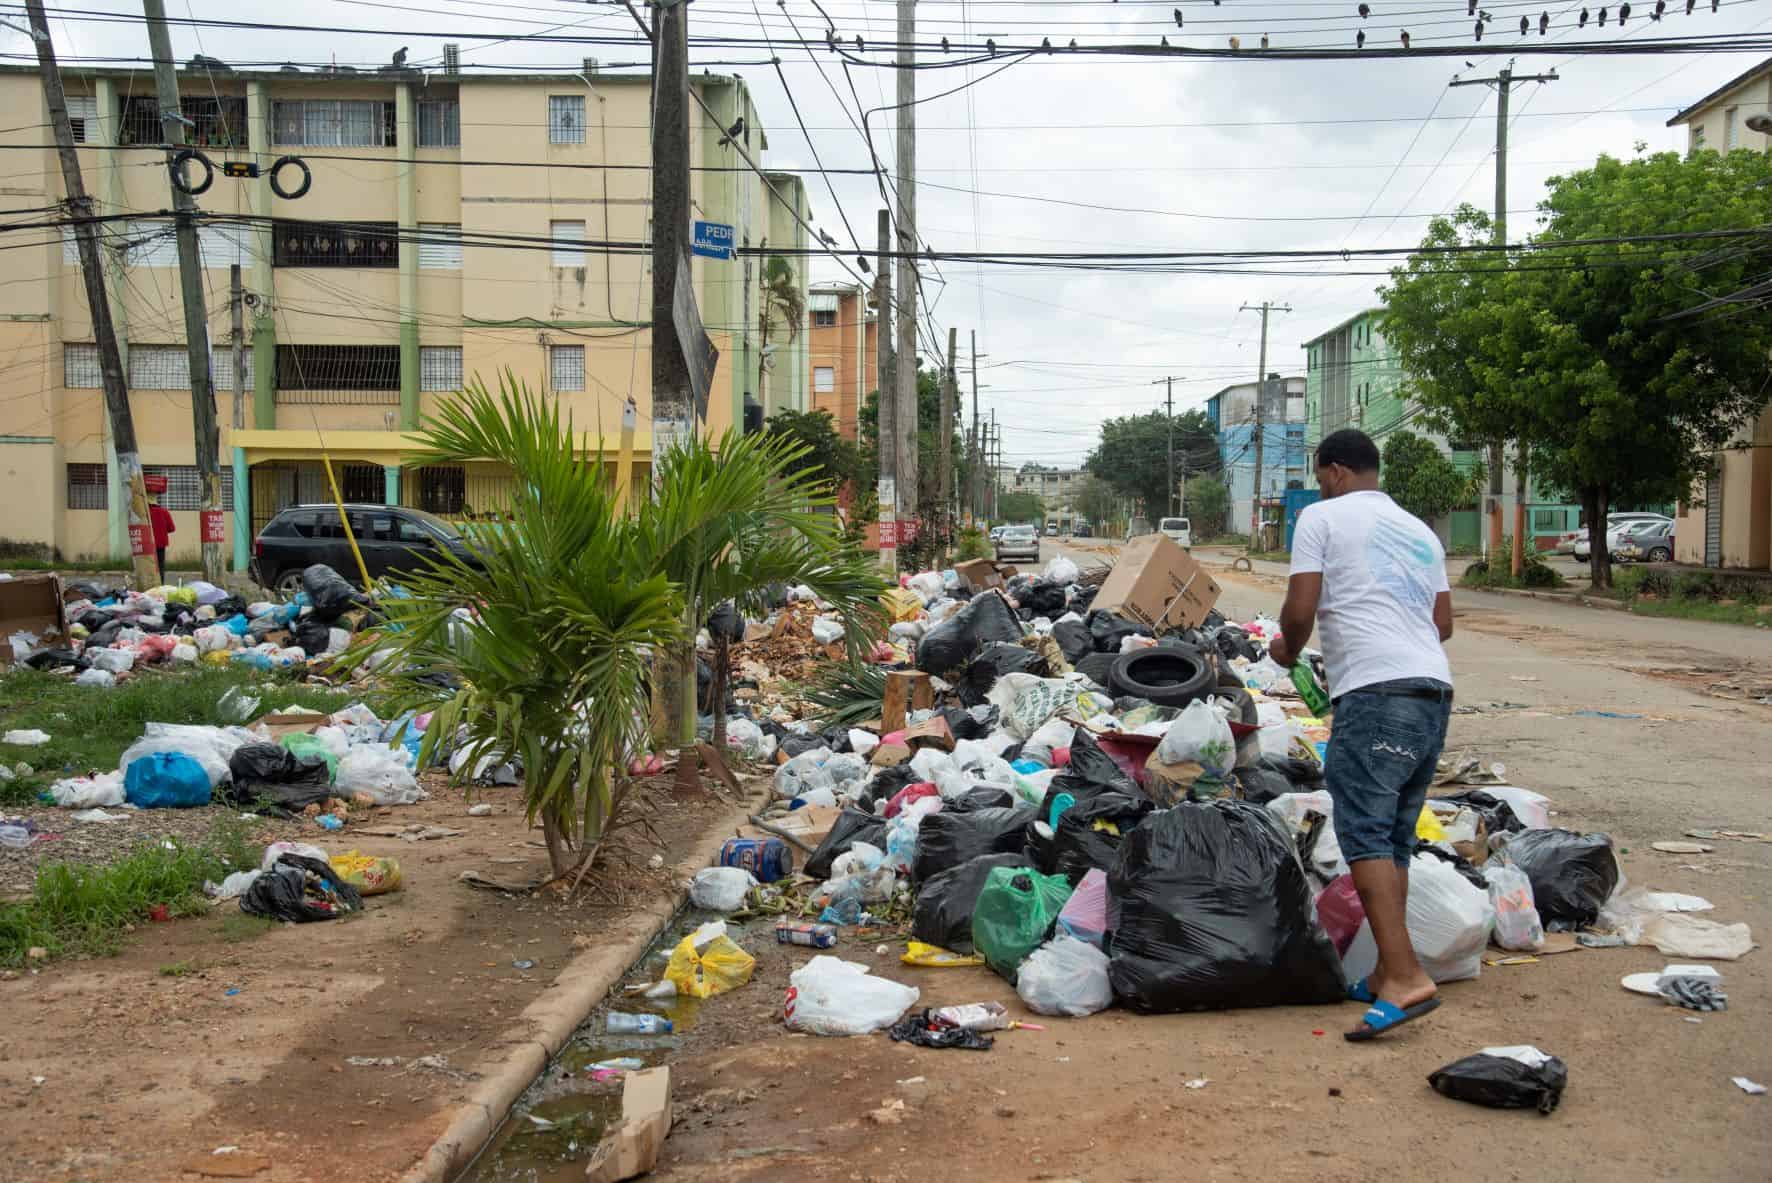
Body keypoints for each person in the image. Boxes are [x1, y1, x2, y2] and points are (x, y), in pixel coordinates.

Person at [1267, 428, 1454, 1042]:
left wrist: (1285, 648)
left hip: (1375, 694)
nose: (1321, 485)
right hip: (1432, 691)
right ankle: (1382, 972)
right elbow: (1442, 623)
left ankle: (1404, 976)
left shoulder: (1321, 517)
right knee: (1395, 833)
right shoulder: (1421, 531)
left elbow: (1300, 608)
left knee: (1365, 830)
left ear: (1336, 471)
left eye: (1322, 475)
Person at [148, 493, 175, 583]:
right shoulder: (164, 511)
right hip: (160, 544)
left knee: (148, 566)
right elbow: (172, 528)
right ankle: (160, 584)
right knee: (160, 566)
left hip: (147, 544)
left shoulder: (144, 513)